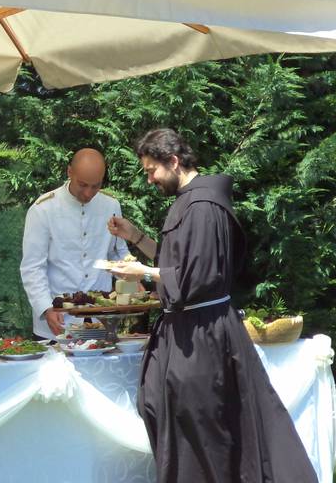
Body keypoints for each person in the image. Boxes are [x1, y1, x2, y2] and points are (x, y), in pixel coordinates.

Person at [107, 128, 317, 483]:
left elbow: (197, 278)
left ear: (173, 162)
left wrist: (142, 270)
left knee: (203, 427)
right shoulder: (191, 202)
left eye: (151, 170)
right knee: (166, 410)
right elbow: (180, 262)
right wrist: (135, 238)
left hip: (202, 337)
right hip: (188, 332)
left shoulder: (203, 207)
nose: (149, 179)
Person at [19, 147, 130, 339]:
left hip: (101, 320)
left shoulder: (111, 205)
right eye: (83, 185)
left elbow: (117, 252)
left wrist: (132, 278)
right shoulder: (43, 209)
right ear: (69, 172)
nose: (88, 193)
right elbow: (32, 267)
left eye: (96, 186)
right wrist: (45, 308)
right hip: (57, 322)